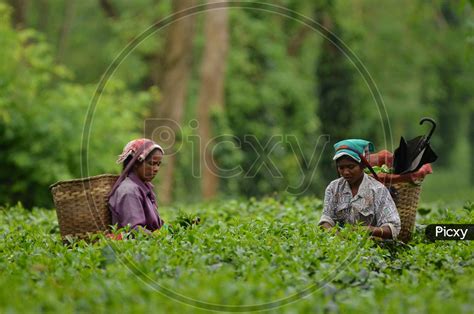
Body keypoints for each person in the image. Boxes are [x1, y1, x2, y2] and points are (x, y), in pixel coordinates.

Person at [318, 139, 401, 240]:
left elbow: (393, 227)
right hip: (340, 245)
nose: (345, 172)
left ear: (362, 165)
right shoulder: (333, 188)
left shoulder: (378, 190)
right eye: (341, 168)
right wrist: (335, 233)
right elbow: (326, 219)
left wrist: (369, 230)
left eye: (351, 167)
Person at [108, 138, 165, 233]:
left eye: (158, 164)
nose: (156, 169)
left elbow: (158, 227)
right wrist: (161, 238)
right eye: (152, 163)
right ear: (135, 164)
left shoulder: (145, 188)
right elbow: (134, 230)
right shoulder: (129, 191)